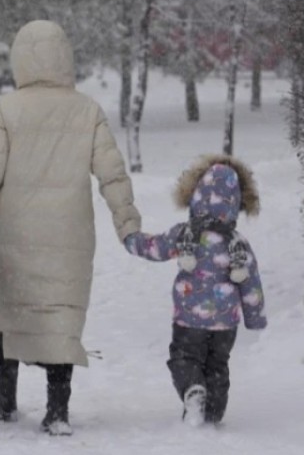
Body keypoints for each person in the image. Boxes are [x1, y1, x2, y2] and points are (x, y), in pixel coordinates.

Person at [0, 20, 141, 436]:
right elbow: (113, 175)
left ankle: (6, 399)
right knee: (59, 317)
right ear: (65, 56)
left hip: (15, 235)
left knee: (9, 312)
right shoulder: (87, 110)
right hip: (69, 235)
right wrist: (128, 225)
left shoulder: (8, 109)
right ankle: (57, 411)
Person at [122, 155, 267, 427]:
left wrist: (131, 240)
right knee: (217, 365)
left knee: (184, 357)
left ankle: (192, 390)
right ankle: (213, 413)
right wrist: (255, 317)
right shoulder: (238, 243)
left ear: (195, 194)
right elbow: (251, 283)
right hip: (225, 324)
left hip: (190, 319)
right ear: (237, 202)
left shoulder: (184, 234)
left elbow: (155, 247)